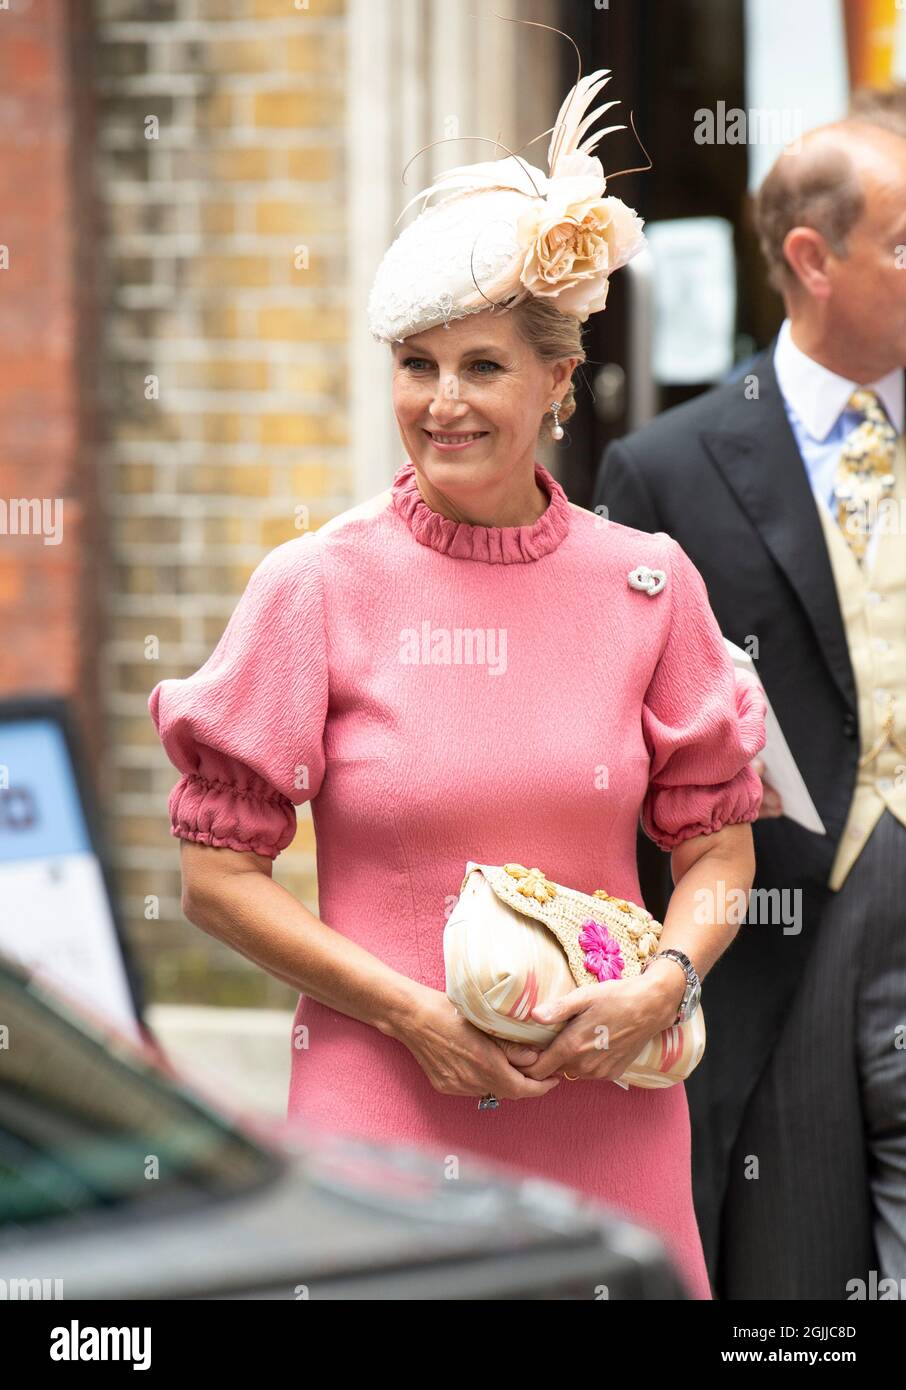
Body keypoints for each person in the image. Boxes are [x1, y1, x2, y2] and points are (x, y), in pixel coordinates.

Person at [149, 57, 766, 1301]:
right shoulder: (313, 586)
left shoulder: (648, 583)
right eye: (415, 364)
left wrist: (665, 986)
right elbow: (217, 879)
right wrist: (413, 1016)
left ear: (555, 382)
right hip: (381, 1110)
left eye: (481, 366)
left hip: (610, 1111)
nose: (442, 404)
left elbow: (719, 848)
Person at [594, 114, 906, 1298]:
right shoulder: (668, 469)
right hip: (783, 932)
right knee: (798, 1289)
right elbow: (620, 735)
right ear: (816, 262)